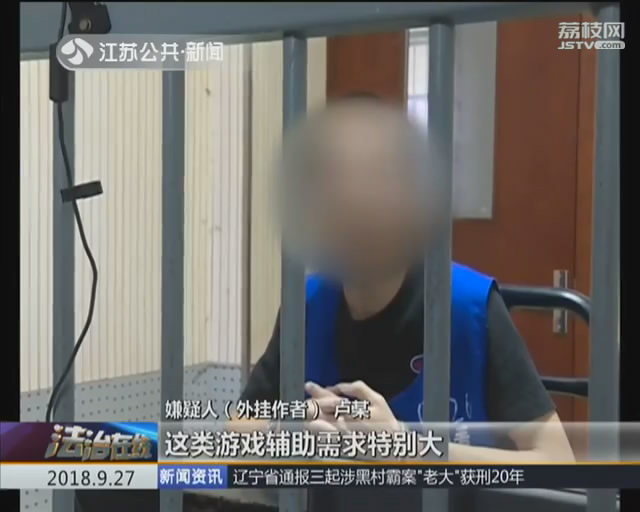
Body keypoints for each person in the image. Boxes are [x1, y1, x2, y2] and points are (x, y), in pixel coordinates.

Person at [233, 94, 575, 464]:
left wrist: (406, 447)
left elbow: (558, 461)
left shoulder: (468, 307)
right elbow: (238, 430)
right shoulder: (308, 305)